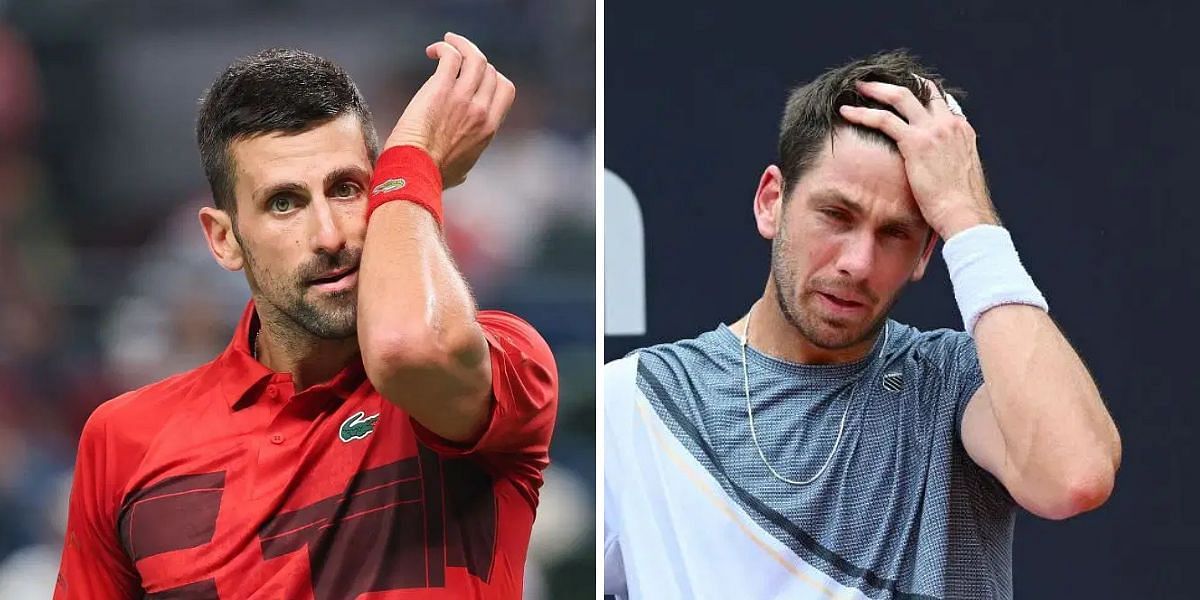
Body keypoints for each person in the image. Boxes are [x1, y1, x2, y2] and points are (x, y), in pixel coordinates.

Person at [55, 32, 558, 600]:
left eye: (347, 189)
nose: (328, 235)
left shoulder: (500, 361)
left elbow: (407, 348)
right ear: (224, 240)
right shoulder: (123, 438)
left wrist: (416, 155)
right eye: (284, 203)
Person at [603, 50, 1121, 600]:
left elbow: (1073, 476)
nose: (858, 262)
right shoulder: (637, 402)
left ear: (926, 253)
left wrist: (968, 214)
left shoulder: (955, 384)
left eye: (895, 233)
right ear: (771, 202)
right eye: (837, 215)